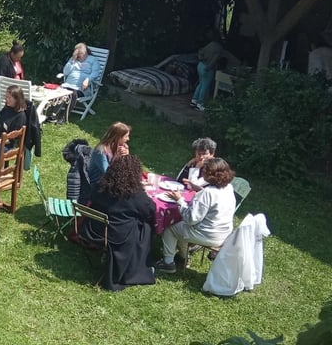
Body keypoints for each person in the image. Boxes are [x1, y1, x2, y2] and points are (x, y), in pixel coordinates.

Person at [80, 155, 156, 291]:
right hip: (117, 237)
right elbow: (149, 210)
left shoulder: (100, 186)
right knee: (146, 227)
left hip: (94, 229)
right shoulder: (134, 195)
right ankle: (139, 265)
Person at [156, 157, 237, 273]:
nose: (202, 172)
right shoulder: (228, 188)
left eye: (203, 170)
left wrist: (179, 200)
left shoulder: (207, 193)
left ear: (210, 175)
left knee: (170, 227)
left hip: (207, 235)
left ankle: (168, 263)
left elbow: (191, 219)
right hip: (223, 234)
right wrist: (198, 189)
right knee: (181, 227)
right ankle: (183, 258)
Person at [88, 122, 131, 186]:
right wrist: (117, 157)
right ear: (118, 137)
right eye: (126, 136)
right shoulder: (101, 151)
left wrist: (126, 155)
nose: (128, 139)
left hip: (110, 182)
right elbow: (108, 172)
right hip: (96, 185)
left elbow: (124, 168)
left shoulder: (118, 147)